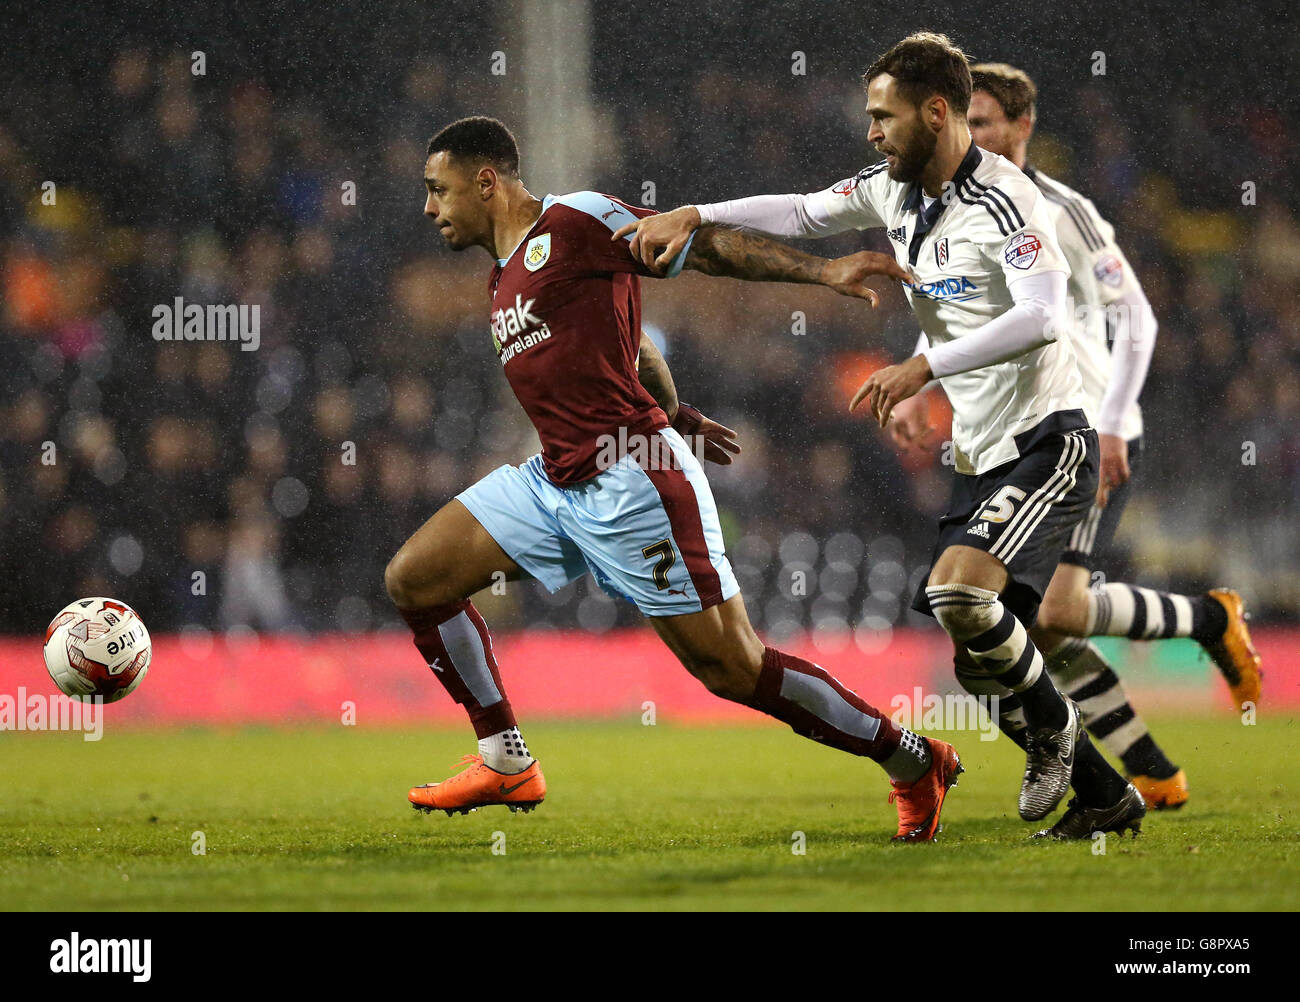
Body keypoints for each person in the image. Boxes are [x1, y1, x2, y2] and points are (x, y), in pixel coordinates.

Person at [616, 32, 1146, 839]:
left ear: (936, 112)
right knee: (981, 658)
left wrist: (922, 368)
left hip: (1048, 440)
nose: (871, 131)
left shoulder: (1011, 203)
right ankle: (1108, 797)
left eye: (883, 115)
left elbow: (1040, 319)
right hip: (979, 452)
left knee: (957, 594)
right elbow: (799, 211)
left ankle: (1059, 742)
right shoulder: (893, 191)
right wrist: (694, 212)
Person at [384, 115, 962, 843]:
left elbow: (702, 243)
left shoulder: (575, 222)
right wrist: (674, 406)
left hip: (633, 481)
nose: (431, 209)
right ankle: (504, 758)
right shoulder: (504, 274)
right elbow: (632, 353)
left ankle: (912, 759)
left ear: (486, 181)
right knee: (415, 578)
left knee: (733, 669)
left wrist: (820, 271)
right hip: (555, 480)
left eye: (438, 191)